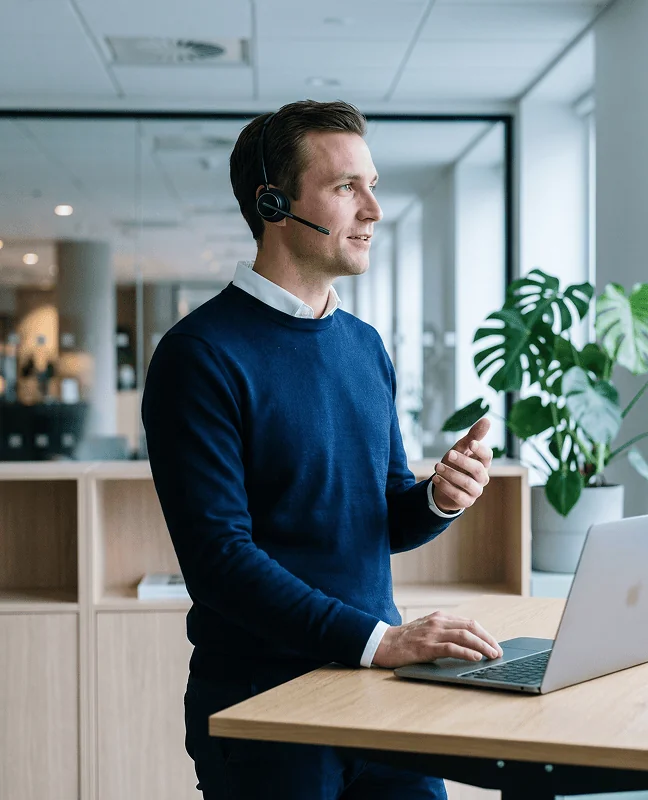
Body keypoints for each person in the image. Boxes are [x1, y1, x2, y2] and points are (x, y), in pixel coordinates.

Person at [141, 99, 503, 800]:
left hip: (376, 691)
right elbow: (220, 561)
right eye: (346, 188)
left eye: (373, 186)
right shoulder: (200, 355)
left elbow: (381, 519)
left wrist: (435, 498)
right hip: (263, 703)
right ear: (274, 203)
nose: (372, 209)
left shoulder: (364, 346)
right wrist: (382, 641)